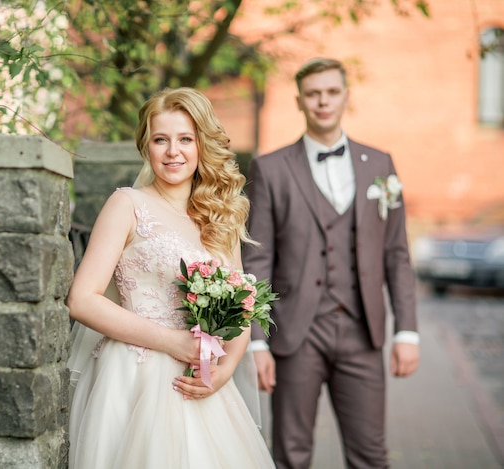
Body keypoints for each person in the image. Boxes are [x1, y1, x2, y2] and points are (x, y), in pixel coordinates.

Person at [66, 87, 275, 469]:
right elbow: (82, 299)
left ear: (201, 145)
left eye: (185, 139)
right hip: (135, 375)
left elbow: (241, 307)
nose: (172, 151)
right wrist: (173, 342)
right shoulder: (127, 205)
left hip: (200, 382)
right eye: (161, 139)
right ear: (146, 147)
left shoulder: (219, 217)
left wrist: (224, 371)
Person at [242, 57, 420, 469]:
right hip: (295, 334)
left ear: (346, 97)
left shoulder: (380, 164)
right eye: (313, 94)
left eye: (331, 92)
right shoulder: (270, 168)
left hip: (363, 332)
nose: (323, 101)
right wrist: (256, 340)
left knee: (371, 455)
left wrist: (407, 330)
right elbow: (258, 258)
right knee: (291, 454)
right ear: (299, 101)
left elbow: (396, 253)